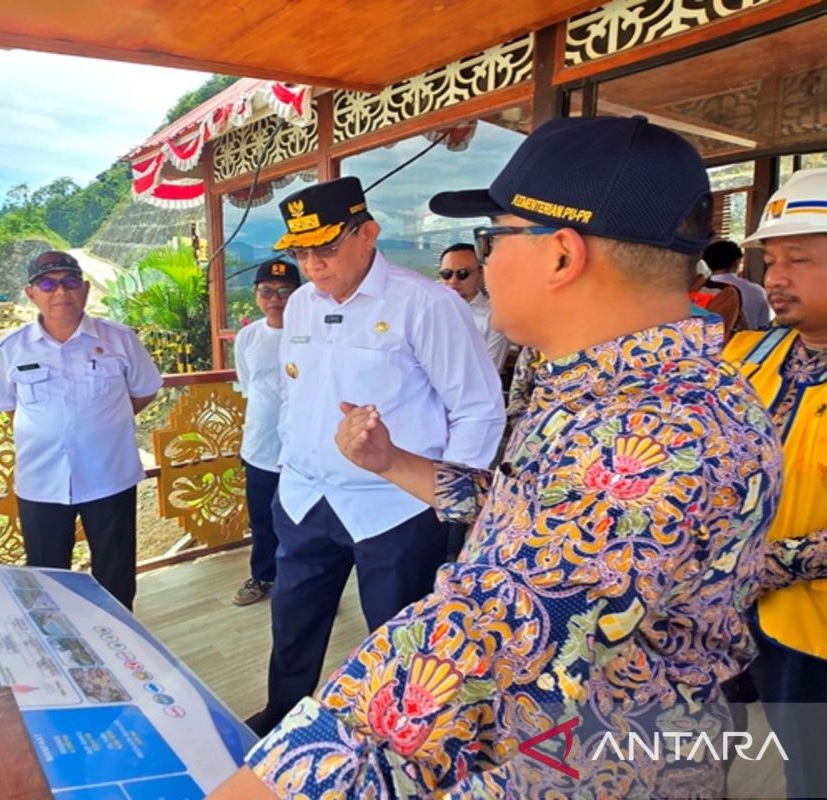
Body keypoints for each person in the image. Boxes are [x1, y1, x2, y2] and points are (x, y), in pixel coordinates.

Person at [212, 117, 782, 798]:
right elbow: (539, 512)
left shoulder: (656, 432)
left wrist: (268, 783)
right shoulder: (615, 389)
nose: (483, 265)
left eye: (495, 237)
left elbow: (479, 645)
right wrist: (395, 462)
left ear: (561, 255)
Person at [245, 176, 506, 735]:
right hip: (306, 498)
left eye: (325, 247)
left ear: (368, 232)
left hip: (396, 508)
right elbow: (296, 394)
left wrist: (450, 505)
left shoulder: (425, 304)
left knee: (398, 639)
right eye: (300, 251)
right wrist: (290, 463)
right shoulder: (301, 307)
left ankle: (394, 740)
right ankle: (281, 720)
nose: (311, 264)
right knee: (293, 625)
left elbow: (478, 409)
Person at [723, 166, 827, 798]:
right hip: (723, 618)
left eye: (799, 259)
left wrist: (765, 565)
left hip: (813, 635)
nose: (775, 277)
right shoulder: (745, 356)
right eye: (771, 259)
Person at [0, 250, 161, 611]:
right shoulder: (11, 348)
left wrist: (105, 422)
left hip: (109, 476)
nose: (60, 292)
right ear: (31, 294)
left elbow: (145, 389)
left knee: (115, 573)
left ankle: (117, 638)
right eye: (47, 284)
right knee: (47, 577)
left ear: (85, 289)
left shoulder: (119, 339)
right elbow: (9, 406)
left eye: (69, 282)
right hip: (41, 481)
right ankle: (58, 639)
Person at [231, 257, 301, 606]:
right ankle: (262, 576)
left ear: (298, 294)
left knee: (301, 523)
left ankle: (302, 587)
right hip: (260, 446)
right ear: (256, 294)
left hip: (301, 449)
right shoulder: (248, 336)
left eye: (285, 292)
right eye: (267, 291)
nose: (276, 299)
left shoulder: (310, 335)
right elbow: (249, 386)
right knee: (261, 520)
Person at [438, 242, 512, 369]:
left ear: (480, 274)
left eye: (462, 273)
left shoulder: (495, 318)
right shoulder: (428, 312)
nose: (453, 281)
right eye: (447, 274)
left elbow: (488, 371)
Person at [705, 238, 772, 329]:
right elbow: (763, 327)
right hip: (746, 337)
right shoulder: (757, 291)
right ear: (737, 261)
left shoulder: (696, 290)